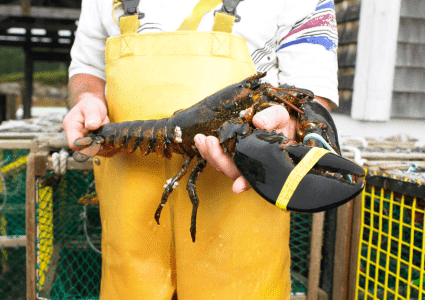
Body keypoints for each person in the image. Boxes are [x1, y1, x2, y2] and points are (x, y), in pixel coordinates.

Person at [63, 0, 339, 299]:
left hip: (245, 221)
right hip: (128, 213)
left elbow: (309, 93)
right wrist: (88, 99)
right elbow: (87, 68)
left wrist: (287, 127)